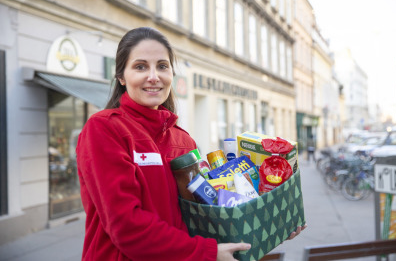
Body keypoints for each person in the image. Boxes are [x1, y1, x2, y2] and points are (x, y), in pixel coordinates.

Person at [76, 27, 304, 261]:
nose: (154, 76)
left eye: (162, 66)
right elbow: (126, 226)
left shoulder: (182, 140)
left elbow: (203, 216)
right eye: (140, 66)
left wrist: (268, 225)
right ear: (122, 77)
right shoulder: (104, 129)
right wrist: (205, 253)